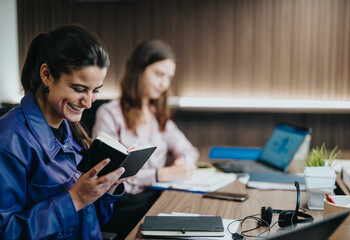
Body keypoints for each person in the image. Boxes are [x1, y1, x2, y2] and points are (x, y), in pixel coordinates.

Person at [0, 25, 128, 239]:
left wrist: (106, 189)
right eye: (79, 89)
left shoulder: (71, 131)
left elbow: (92, 221)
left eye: (95, 90)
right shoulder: (9, 141)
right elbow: (6, 233)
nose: (88, 103)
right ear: (47, 75)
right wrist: (75, 198)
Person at [92, 39, 200, 237]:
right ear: (138, 70)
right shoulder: (109, 114)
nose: (164, 84)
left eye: (169, 77)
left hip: (154, 199)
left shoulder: (157, 115)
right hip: (122, 206)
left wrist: (181, 162)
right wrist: (160, 175)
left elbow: (190, 150)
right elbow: (107, 175)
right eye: (159, 74)